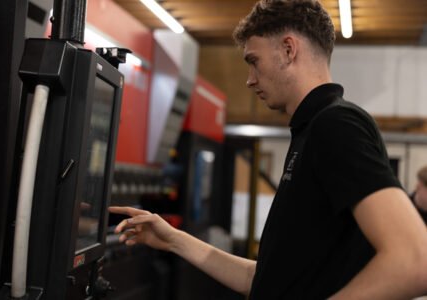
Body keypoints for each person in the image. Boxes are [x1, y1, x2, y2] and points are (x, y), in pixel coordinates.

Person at [109, 0, 427, 298]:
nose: (249, 80)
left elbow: (415, 260)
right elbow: (263, 281)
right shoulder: (309, 131)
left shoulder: (336, 125)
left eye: (253, 61)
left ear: (288, 50)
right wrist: (173, 239)